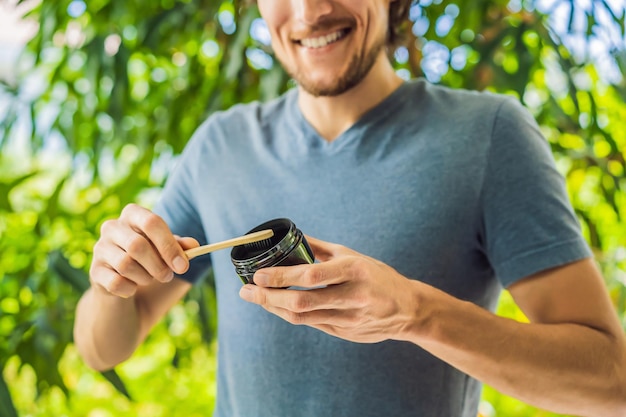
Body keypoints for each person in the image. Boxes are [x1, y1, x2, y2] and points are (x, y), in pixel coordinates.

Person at [73, 0, 626, 416]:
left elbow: (612, 383)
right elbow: (102, 349)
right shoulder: (220, 146)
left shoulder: (489, 136)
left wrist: (417, 312)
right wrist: (108, 286)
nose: (311, 12)